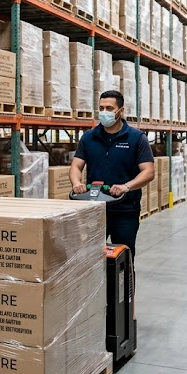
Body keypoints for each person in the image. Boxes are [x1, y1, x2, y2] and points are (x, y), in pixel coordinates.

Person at [69, 90, 155, 259]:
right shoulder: (89, 137)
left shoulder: (136, 138)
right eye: (101, 108)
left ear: (120, 111)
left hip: (125, 209)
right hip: (95, 208)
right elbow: (76, 167)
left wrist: (126, 187)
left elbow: (148, 171)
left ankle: (125, 277)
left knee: (123, 256)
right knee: (90, 256)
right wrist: (76, 183)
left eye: (109, 108)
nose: (104, 112)